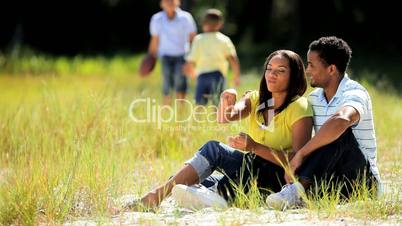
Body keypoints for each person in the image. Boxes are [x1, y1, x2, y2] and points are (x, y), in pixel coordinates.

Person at [125, 50, 313, 210]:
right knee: (180, 180)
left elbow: (298, 160)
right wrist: (226, 100)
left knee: (207, 159)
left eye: (280, 71)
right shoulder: (256, 98)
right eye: (269, 69)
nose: (271, 75)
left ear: (294, 76)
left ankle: (157, 197)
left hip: (275, 177)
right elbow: (226, 117)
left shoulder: (300, 107)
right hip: (249, 167)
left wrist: (255, 147)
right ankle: (211, 194)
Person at [266, 36, 382, 210]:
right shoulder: (314, 98)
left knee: (338, 130)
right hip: (331, 180)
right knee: (318, 140)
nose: (307, 70)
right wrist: (254, 100)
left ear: (331, 69)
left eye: (312, 65)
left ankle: (297, 191)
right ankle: (293, 191)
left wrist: (301, 155)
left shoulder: (355, 92)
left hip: (363, 182)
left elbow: (342, 120)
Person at [182, 9, 240, 105]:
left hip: (202, 77)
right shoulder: (224, 40)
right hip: (218, 76)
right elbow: (233, 59)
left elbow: (191, 60)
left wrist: (191, 72)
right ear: (220, 24)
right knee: (218, 104)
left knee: (199, 105)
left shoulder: (198, 39)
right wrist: (236, 76)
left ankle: (199, 119)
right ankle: (217, 119)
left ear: (204, 23)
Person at [148, 0, 197, 105]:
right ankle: (166, 109)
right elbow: (155, 39)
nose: (169, 2)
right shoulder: (156, 19)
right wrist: (151, 57)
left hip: (182, 55)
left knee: (181, 81)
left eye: (172, 0)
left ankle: (181, 109)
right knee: (167, 82)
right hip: (165, 55)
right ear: (161, 3)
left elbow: (192, 38)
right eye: (166, 1)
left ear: (178, 2)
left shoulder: (186, 17)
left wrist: (193, 59)